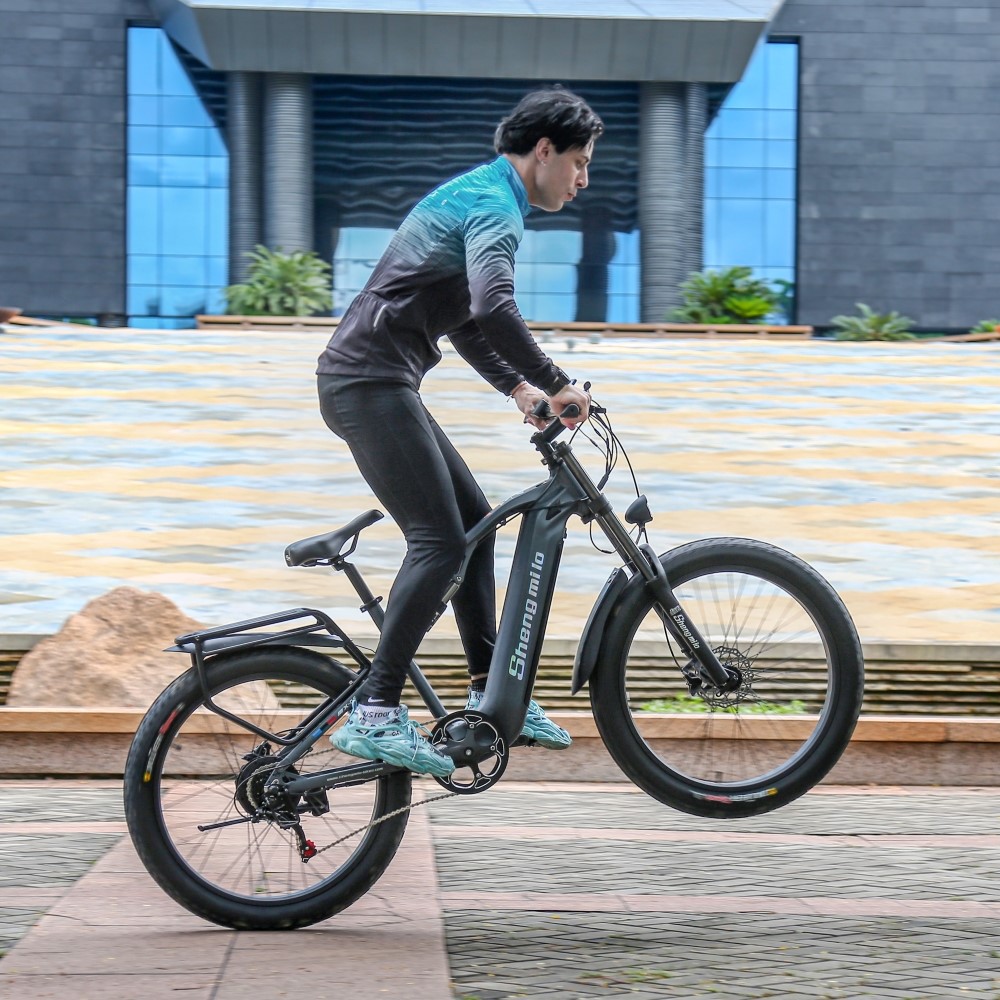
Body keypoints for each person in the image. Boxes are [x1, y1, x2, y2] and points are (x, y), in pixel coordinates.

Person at [317, 87, 603, 777]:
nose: (584, 179)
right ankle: (376, 712)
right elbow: (493, 304)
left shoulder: (482, 194)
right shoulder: (496, 207)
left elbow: (464, 319)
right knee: (440, 542)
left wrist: (519, 388)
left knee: (474, 524)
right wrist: (559, 377)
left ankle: (488, 697)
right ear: (544, 152)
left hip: (377, 381)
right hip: (366, 383)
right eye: (580, 162)